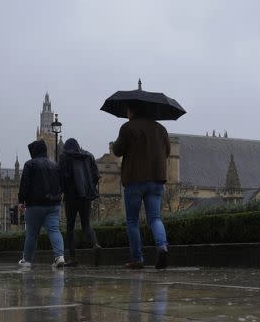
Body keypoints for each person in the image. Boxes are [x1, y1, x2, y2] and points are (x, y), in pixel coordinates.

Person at [112, 104, 171, 269]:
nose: (126, 112)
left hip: (135, 179)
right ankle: (162, 247)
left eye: (128, 110)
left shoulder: (128, 127)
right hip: (157, 179)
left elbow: (117, 150)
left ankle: (137, 259)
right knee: (155, 218)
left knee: (132, 220)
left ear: (133, 111)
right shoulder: (161, 129)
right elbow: (167, 151)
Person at [18, 139, 65, 268]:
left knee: (32, 234)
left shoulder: (30, 164)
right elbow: (61, 184)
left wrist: (21, 201)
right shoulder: (55, 165)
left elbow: (25, 184)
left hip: (35, 204)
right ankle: (59, 256)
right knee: (54, 230)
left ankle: (27, 261)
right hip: (54, 205)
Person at [59, 138, 102, 266]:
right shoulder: (88, 156)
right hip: (85, 196)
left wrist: (63, 191)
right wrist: (89, 188)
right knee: (86, 224)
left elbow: (62, 177)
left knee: (70, 227)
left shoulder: (64, 157)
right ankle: (95, 244)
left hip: (71, 196)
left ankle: (73, 258)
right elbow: (95, 175)